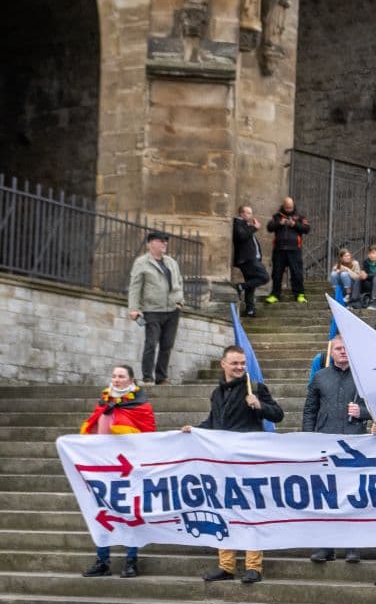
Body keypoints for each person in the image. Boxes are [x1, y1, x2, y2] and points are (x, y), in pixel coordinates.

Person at [186, 345, 284, 583]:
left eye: (242, 363)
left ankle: (254, 567)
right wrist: (195, 430)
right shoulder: (217, 393)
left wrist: (259, 405)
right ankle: (226, 565)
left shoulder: (256, 388)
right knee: (224, 510)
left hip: (249, 461)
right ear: (224, 364)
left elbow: (277, 414)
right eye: (235, 363)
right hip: (223, 462)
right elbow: (214, 421)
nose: (240, 367)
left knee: (250, 511)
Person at [80, 364, 155, 577]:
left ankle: (131, 561)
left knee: (129, 515)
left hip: (128, 469)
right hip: (103, 468)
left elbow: (149, 436)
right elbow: (93, 429)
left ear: (131, 380)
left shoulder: (141, 406)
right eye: (114, 376)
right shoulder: (104, 402)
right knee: (102, 514)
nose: (116, 379)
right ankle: (102, 561)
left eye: (121, 376)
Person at [303, 335, 369, 565]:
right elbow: (309, 410)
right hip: (325, 443)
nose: (343, 352)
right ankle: (325, 547)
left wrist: (362, 412)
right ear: (331, 352)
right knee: (327, 497)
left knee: (351, 495)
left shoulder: (362, 377)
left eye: (346, 348)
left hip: (354, 445)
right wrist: (308, 438)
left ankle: (353, 547)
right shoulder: (320, 377)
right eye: (338, 348)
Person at [128, 231, 185, 386]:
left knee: (167, 345)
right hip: (152, 310)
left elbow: (179, 283)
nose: (165, 243)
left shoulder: (171, 262)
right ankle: (147, 376)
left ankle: (161, 377)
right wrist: (134, 308)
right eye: (161, 241)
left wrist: (180, 302)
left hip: (172, 310)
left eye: (166, 241)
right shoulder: (142, 262)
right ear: (150, 243)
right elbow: (135, 286)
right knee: (151, 343)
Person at [265, 197, 310, 303]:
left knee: (297, 273)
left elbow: (307, 229)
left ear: (293, 206)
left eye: (290, 207)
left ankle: (299, 294)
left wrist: (294, 224)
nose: (289, 209)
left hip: (294, 249)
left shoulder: (299, 217)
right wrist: (280, 223)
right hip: (279, 249)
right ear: (283, 206)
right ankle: (275, 294)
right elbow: (269, 227)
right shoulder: (277, 216)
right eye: (287, 207)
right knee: (276, 273)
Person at [231, 206, 268, 317]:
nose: (250, 215)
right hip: (247, 259)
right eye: (248, 213)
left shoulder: (245, 225)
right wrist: (254, 228)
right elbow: (241, 236)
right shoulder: (237, 223)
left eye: (251, 213)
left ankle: (250, 310)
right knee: (264, 277)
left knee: (251, 285)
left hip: (252, 259)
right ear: (241, 213)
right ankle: (240, 287)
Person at [355, 243, 376, 308]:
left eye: (373, 253)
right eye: (369, 253)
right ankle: (354, 300)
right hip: (370, 283)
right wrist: (362, 274)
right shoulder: (366, 262)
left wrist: (367, 276)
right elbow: (364, 273)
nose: (371, 255)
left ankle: (374, 302)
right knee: (358, 278)